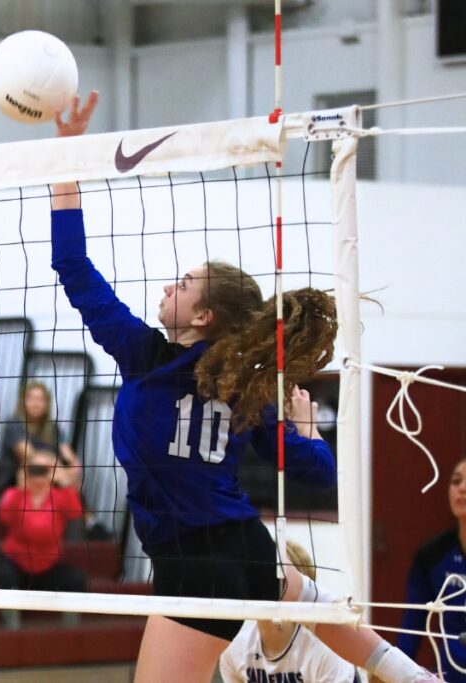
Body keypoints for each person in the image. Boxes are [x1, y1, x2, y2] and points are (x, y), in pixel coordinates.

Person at [50, 91, 436, 683]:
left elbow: (74, 269)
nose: (168, 289)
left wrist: (66, 160)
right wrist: (308, 433)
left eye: (182, 285)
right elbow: (314, 472)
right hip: (246, 552)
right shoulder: (236, 386)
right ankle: (417, 676)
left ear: (204, 317)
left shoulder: (147, 357)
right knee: (307, 601)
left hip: (192, 568)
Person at [219, 540, 361, 683]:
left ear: (298, 590)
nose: (265, 582)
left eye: (277, 578)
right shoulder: (234, 646)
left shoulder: (325, 649)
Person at [396, 457, 466, 681]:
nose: (462, 488)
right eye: (456, 481)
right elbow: (412, 627)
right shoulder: (431, 556)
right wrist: (391, 671)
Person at [0, 451, 86, 596]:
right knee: (3, 575)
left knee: (77, 580)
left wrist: (64, 482)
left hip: (48, 565)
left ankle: (70, 619)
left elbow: (75, 513)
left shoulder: (60, 495)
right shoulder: (15, 493)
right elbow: (3, 517)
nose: (39, 476)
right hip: (16, 561)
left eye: (44, 470)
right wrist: (20, 486)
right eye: (34, 470)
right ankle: (12, 618)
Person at [0, 381, 80, 493]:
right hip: (16, 484)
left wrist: (71, 472)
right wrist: (59, 469)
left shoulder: (54, 429)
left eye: (40, 399)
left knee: (72, 482)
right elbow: (31, 458)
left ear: (47, 404)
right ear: (23, 402)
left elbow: (71, 458)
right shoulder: (14, 425)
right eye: (31, 399)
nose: (35, 403)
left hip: (52, 481)